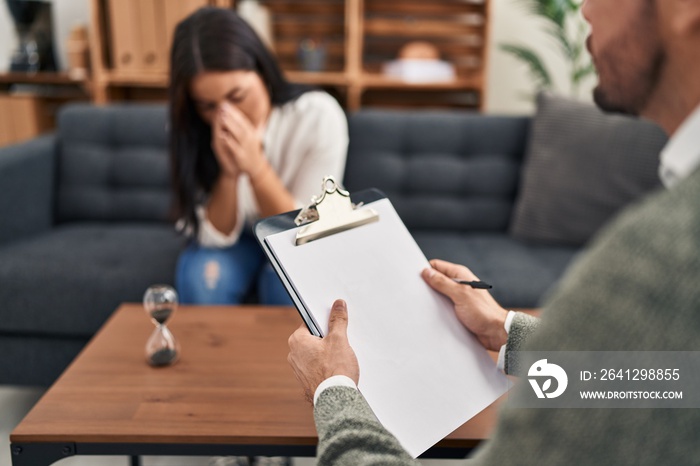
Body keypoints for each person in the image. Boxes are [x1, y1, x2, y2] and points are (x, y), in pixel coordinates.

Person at [287, 0, 700, 464]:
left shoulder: (666, 256)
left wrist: (333, 388)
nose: (584, 9)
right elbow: (669, 381)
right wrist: (507, 332)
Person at [169, 7, 348, 305]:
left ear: (262, 71)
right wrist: (229, 174)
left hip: (297, 242)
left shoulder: (317, 116)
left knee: (290, 291)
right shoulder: (192, 128)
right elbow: (211, 236)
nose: (226, 116)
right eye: (208, 106)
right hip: (236, 240)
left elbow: (304, 232)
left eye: (237, 96)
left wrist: (256, 168)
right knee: (204, 281)